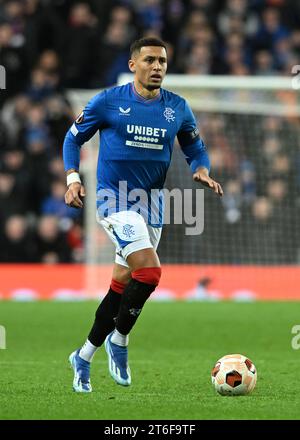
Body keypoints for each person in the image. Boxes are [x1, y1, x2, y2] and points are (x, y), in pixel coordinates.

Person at [63, 37, 223, 393]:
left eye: (163, 62)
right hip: (113, 200)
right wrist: (73, 178)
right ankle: (119, 339)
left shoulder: (177, 108)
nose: (157, 67)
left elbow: (195, 146)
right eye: (150, 60)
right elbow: (73, 139)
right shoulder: (108, 101)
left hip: (152, 204)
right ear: (133, 64)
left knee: (121, 285)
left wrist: (201, 168)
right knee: (149, 272)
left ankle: (84, 355)